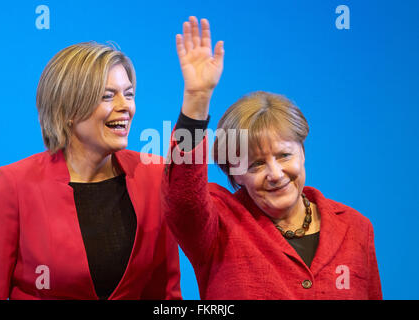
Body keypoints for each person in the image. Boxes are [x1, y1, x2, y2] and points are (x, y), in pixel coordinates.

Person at [162, 16, 382, 299]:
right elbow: (183, 197)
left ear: (302, 152)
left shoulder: (356, 227)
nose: (276, 173)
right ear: (234, 172)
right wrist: (197, 98)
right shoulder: (218, 225)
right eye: (256, 163)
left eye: (284, 155)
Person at [0, 42, 181, 300]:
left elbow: (165, 295)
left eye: (129, 94)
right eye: (107, 96)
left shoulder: (154, 175)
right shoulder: (14, 183)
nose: (125, 106)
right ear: (69, 109)